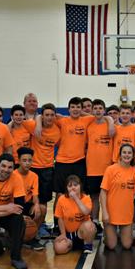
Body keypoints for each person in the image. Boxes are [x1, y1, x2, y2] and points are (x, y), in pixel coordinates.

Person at [52, 97, 95, 229]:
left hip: (79, 162)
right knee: (60, 194)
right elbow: (43, 116)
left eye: (78, 107)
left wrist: (81, 113)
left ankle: (81, 222)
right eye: (73, 107)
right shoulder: (62, 120)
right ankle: (56, 224)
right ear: (68, 108)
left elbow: (98, 116)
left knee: (79, 193)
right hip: (62, 162)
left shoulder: (86, 120)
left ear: (81, 109)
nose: (75, 110)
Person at [21, 103, 61, 234]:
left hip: (47, 169)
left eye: (52, 115)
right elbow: (16, 122)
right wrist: (37, 120)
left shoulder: (57, 130)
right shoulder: (34, 126)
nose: (49, 117)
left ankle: (40, 227)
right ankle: (23, 227)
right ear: (42, 116)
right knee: (28, 199)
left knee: (44, 201)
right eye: (46, 115)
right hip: (32, 169)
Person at [100, 144, 135, 250]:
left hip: (126, 214)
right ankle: (107, 234)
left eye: (129, 153)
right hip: (111, 214)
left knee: (127, 245)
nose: (127, 155)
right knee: (111, 246)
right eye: (124, 152)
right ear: (120, 155)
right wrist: (104, 213)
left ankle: (121, 234)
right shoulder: (111, 169)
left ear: (133, 155)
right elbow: (103, 192)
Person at [86, 99, 116, 232]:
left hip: (107, 168)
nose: (98, 111)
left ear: (104, 110)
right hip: (92, 168)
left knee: (109, 197)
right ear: (92, 110)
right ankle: (95, 222)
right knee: (94, 197)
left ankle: (111, 221)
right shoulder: (88, 124)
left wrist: (109, 120)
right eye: (95, 108)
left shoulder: (111, 125)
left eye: (100, 108)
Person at [54, 175, 96, 254]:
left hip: (81, 232)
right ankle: (71, 244)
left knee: (90, 226)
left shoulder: (86, 198)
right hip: (68, 233)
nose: (73, 188)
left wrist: (76, 198)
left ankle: (87, 244)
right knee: (58, 249)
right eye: (70, 186)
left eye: (75, 185)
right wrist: (63, 234)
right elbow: (60, 218)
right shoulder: (61, 199)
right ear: (66, 188)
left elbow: (86, 212)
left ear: (80, 186)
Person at [15, 147, 44, 251]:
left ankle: (32, 235)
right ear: (18, 161)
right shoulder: (13, 175)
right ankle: (15, 236)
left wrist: (36, 205)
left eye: (30, 160)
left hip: (27, 204)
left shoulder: (34, 176)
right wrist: (20, 214)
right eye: (24, 160)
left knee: (42, 208)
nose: (27, 163)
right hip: (14, 205)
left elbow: (35, 195)